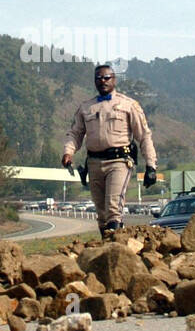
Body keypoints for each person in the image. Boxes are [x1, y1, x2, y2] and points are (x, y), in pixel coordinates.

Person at [62, 64, 158, 237]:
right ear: (94, 81)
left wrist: (151, 166)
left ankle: (116, 249)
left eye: (107, 78)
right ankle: (106, 249)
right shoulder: (86, 108)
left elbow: (144, 136)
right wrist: (68, 153)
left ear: (114, 79)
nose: (103, 81)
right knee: (102, 214)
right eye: (99, 78)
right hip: (94, 164)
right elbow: (75, 134)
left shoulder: (128, 105)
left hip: (119, 161)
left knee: (114, 207)